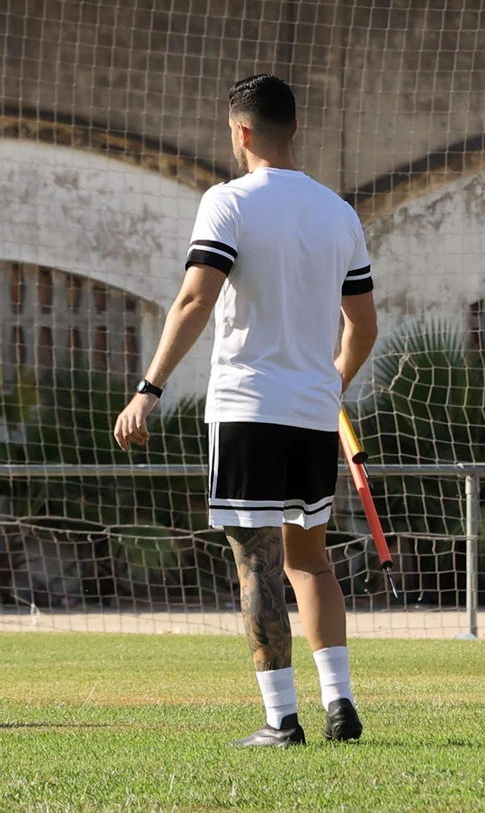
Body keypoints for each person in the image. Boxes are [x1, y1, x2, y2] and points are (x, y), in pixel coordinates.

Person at [112, 74, 378, 747]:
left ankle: (280, 720)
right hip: (313, 412)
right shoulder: (337, 212)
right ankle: (340, 704)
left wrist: (150, 386)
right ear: (295, 130)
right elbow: (364, 327)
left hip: (249, 408)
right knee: (311, 562)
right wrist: (331, 383)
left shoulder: (227, 202)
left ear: (240, 132)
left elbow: (195, 299)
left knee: (256, 562)